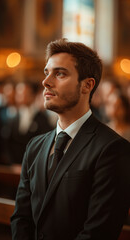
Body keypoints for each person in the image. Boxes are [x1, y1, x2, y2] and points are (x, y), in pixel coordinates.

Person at [11, 39, 130, 240]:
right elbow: (21, 218)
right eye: (46, 72)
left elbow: (98, 232)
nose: (46, 82)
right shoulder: (35, 146)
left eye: (60, 73)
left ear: (87, 85)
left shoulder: (113, 149)